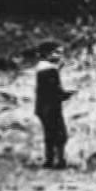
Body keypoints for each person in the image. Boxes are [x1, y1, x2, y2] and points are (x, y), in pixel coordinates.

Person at [33, 40, 74, 169]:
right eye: (57, 53)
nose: (60, 56)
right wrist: (66, 95)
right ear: (47, 54)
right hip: (52, 108)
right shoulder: (50, 70)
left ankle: (49, 159)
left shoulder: (41, 68)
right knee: (60, 134)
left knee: (49, 135)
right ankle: (60, 160)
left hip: (42, 107)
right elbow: (54, 91)